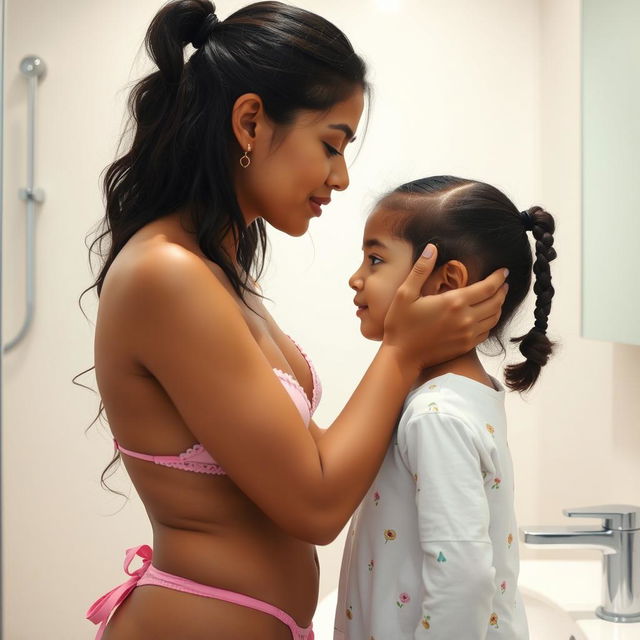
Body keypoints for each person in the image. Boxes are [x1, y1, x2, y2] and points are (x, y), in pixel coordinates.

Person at [84, 2, 508, 638]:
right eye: (331, 145)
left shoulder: (219, 272)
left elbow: (306, 461)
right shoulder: (167, 275)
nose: (339, 177)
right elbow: (315, 504)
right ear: (251, 122)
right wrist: (401, 352)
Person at [335, 176, 557, 639]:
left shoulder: (436, 416)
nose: (356, 277)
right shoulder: (461, 396)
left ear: (447, 281)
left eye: (374, 259)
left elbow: (463, 581)